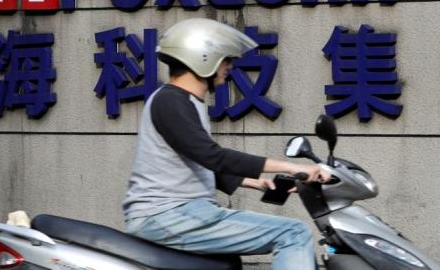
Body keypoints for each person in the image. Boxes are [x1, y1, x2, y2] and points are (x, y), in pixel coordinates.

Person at [122, 18, 331, 270]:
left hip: (178, 213)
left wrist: (252, 182)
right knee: (293, 233)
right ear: (202, 58)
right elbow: (212, 156)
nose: (229, 66)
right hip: (167, 214)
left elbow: (196, 158)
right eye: (225, 59)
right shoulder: (170, 101)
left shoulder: (184, 101)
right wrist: (291, 167)